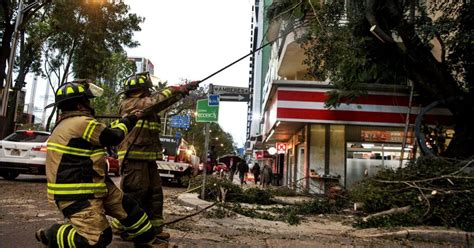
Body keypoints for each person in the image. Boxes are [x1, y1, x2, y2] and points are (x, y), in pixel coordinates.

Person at [36, 80, 157, 247]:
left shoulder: (68, 124)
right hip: (78, 193)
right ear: (80, 105)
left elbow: (104, 132)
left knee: (130, 210)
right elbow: (113, 136)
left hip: (93, 185)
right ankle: (53, 234)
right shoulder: (81, 123)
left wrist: (125, 120)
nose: (89, 105)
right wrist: (132, 118)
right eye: (87, 101)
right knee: (97, 238)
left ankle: (148, 241)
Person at [117, 72, 198, 240]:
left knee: (154, 194)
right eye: (147, 90)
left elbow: (160, 103)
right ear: (141, 90)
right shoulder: (130, 103)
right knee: (134, 194)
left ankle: (154, 228)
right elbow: (155, 101)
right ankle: (127, 227)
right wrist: (174, 89)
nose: (149, 93)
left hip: (147, 158)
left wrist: (183, 91)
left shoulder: (146, 105)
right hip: (134, 157)